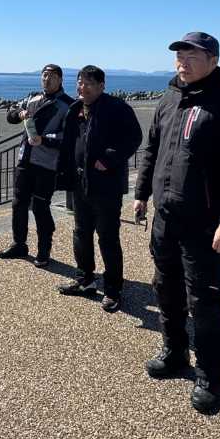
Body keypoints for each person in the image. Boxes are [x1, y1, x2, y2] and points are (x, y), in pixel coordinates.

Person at [133, 32, 220, 415]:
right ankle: (174, 352)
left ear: (213, 60)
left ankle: (210, 377)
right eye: (179, 55)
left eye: (192, 55)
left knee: (203, 301)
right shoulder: (169, 98)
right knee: (165, 288)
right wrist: (141, 193)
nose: (182, 62)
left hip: (204, 224)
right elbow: (152, 148)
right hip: (165, 218)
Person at [54, 65, 142, 312]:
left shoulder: (116, 108)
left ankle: (113, 289)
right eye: (80, 82)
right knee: (81, 233)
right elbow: (69, 143)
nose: (82, 87)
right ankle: (85, 280)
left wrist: (109, 159)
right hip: (80, 183)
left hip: (106, 185)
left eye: (89, 83)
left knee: (108, 237)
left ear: (102, 86)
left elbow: (134, 137)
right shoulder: (75, 109)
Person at [0, 63, 74, 267]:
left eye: (52, 76)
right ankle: (19, 244)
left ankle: (43, 251)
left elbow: (69, 137)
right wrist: (18, 114)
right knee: (18, 203)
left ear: (60, 79)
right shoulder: (32, 97)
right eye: (44, 75)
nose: (47, 79)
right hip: (25, 159)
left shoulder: (68, 104)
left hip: (47, 164)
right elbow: (11, 113)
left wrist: (45, 140)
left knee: (40, 207)